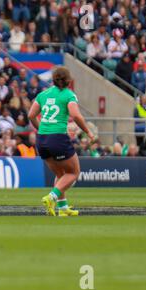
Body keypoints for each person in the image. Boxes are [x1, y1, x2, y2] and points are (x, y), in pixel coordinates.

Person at [28, 66, 95, 217]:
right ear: (69, 81)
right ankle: (51, 197)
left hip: (42, 140)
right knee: (73, 172)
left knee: (61, 174)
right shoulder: (68, 95)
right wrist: (88, 131)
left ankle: (63, 208)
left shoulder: (43, 94)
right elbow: (76, 116)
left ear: (53, 80)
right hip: (57, 137)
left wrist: (41, 130)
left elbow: (31, 115)